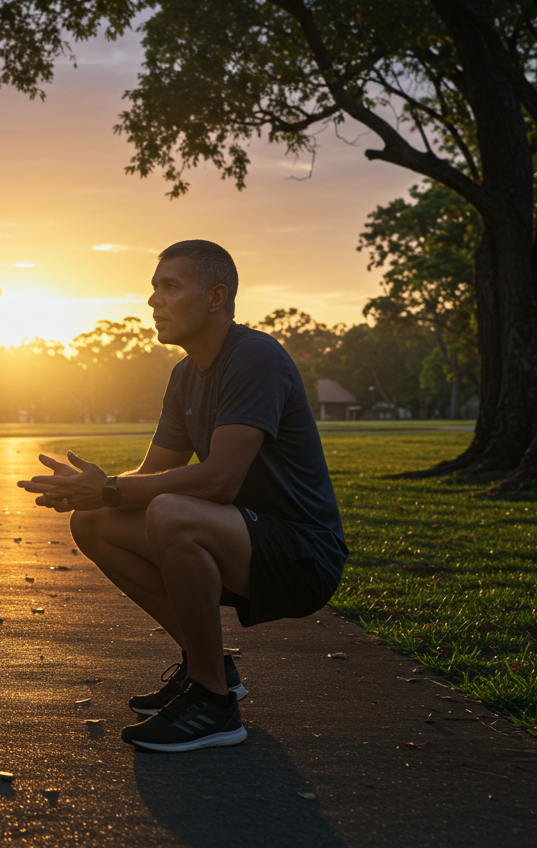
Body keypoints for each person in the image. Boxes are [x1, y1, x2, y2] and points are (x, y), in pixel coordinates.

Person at [18, 239, 346, 753]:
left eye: (171, 287)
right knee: (94, 523)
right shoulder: (184, 375)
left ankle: (215, 705)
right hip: (238, 541)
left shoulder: (255, 356)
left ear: (216, 297)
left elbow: (219, 482)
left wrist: (108, 489)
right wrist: (94, 493)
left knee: (171, 513)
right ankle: (209, 666)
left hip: (301, 555)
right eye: (153, 288)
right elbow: (151, 475)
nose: (154, 300)